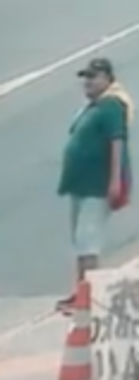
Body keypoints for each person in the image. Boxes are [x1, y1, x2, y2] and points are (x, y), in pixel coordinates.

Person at [56, 58, 132, 313]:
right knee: (80, 242)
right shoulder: (93, 106)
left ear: (108, 79)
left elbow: (117, 142)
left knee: (87, 242)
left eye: (94, 77)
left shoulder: (111, 106)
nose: (88, 82)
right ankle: (81, 292)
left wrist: (115, 181)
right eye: (86, 77)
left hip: (97, 187)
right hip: (81, 186)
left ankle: (89, 299)